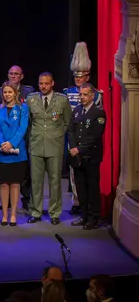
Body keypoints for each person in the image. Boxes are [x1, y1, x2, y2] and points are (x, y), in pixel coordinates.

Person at [27, 72, 72, 225]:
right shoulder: (31, 99)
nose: (43, 86)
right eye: (41, 83)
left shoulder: (62, 100)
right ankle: (35, 211)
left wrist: (56, 135)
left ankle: (54, 213)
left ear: (52, 83)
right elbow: (28, 122)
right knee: (36, 181)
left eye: (46, 83)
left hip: (55, 145)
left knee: (55, 181)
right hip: (36, 145)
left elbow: (67, 122)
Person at [65, 42, 103, 215]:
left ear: (87, 76)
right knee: (74, 173)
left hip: (87, 139)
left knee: (90, 176)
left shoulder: (96, 94)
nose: (78, 79)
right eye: (75, 76)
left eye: (81, 76)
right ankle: (77, 200)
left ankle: (90, 208)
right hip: (73, 137)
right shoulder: (68, 92)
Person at [69, 83, 107, 230]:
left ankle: (93, 218)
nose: (82, 97)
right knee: (80, 188)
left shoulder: (98, 113)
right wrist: (72, 147)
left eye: (85, 95)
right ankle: (84, 216)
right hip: (77, 157)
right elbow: (70, 130)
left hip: (91, 157)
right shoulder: (77, 110)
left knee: (92, 187)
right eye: (80, 94)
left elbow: (95, 136)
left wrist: (79, 149)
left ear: (92, 96)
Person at [0, 82, 30, 226]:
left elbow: (23, 128)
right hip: (2, 151)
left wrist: (11, 143)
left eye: (10, 92)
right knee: (3, 184)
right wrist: (2, 143)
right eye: (5, 92)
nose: (7, 94)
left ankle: (13, 214)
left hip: (16, 151)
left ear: (16, 93)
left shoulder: (22, 108)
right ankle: (4, 215)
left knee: (15, 183)